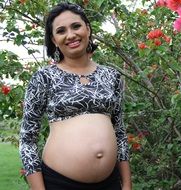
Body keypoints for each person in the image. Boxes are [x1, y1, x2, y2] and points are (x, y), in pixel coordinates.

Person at [19, 2, 131, 190]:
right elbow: (27, 139)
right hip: (59, 183)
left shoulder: (111, 76)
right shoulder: (44, 77)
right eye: (61, 31)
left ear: (87, 29)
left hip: (110, 183)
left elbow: (119, 132)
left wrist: (126, 185)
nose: (71, 35)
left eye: (76, 26)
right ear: (54, 40)